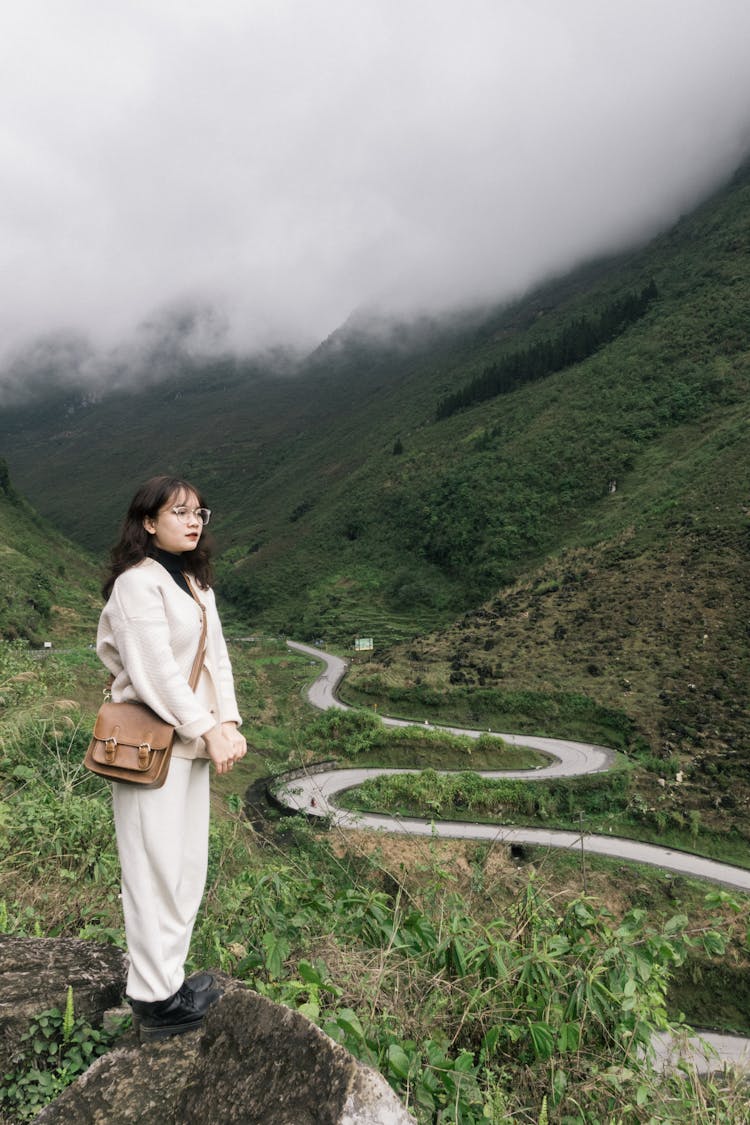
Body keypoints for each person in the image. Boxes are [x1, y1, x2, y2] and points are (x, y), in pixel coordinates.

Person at [96, 474, 247, 1041]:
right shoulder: (137, 584)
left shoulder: (194, 582)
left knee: (186, 869)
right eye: (179, 512)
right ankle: (154, 1001)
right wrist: (207, 728)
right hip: (148, 747)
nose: (192, 521)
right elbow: (154, 671)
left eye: (199, 513)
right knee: (152, 869)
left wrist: (227, 720)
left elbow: (218, 660)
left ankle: (171, 980)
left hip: (190, 744)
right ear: (148, 521)